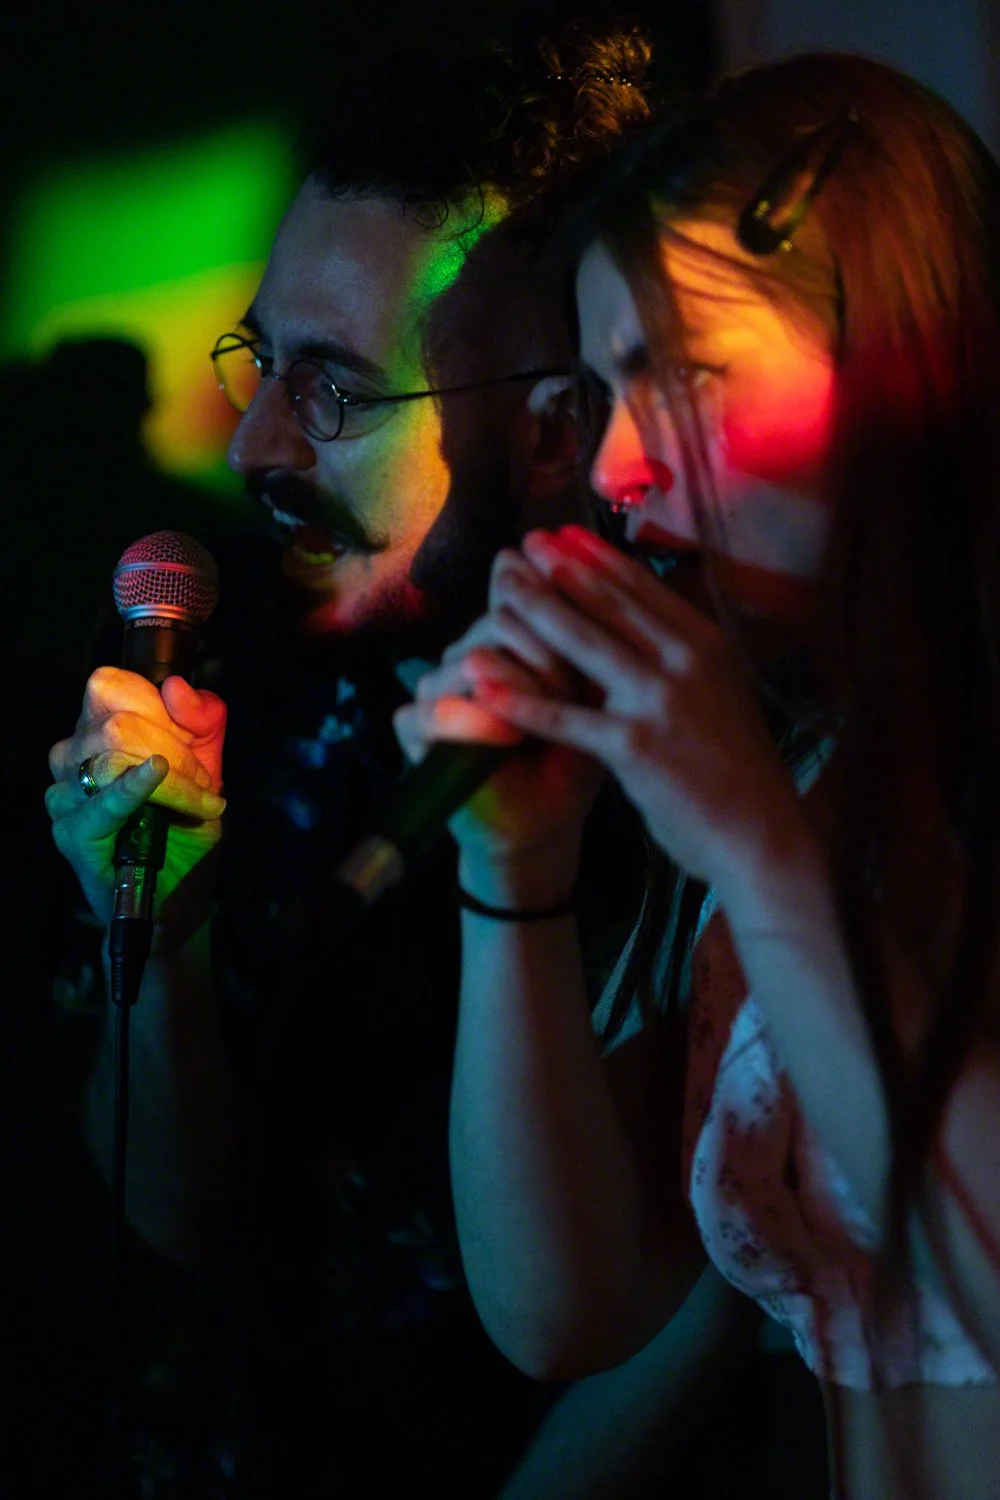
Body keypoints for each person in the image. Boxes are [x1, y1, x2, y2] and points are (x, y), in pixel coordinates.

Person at [40, 18, 696, 1498]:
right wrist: (164, 939)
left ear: (552, 432)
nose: (253, 444)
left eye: (332, 388)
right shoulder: (209, 661)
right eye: (261, 361)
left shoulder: (687, 755)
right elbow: (175, 1216)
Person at [396, 51, 1000, 1499]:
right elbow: (569, 1313)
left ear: (904, 358)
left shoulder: (763, 806)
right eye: (604, 392)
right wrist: (515, 879)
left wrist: (751, 844)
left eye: (684, 377)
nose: (613, 469)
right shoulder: (794, 761)